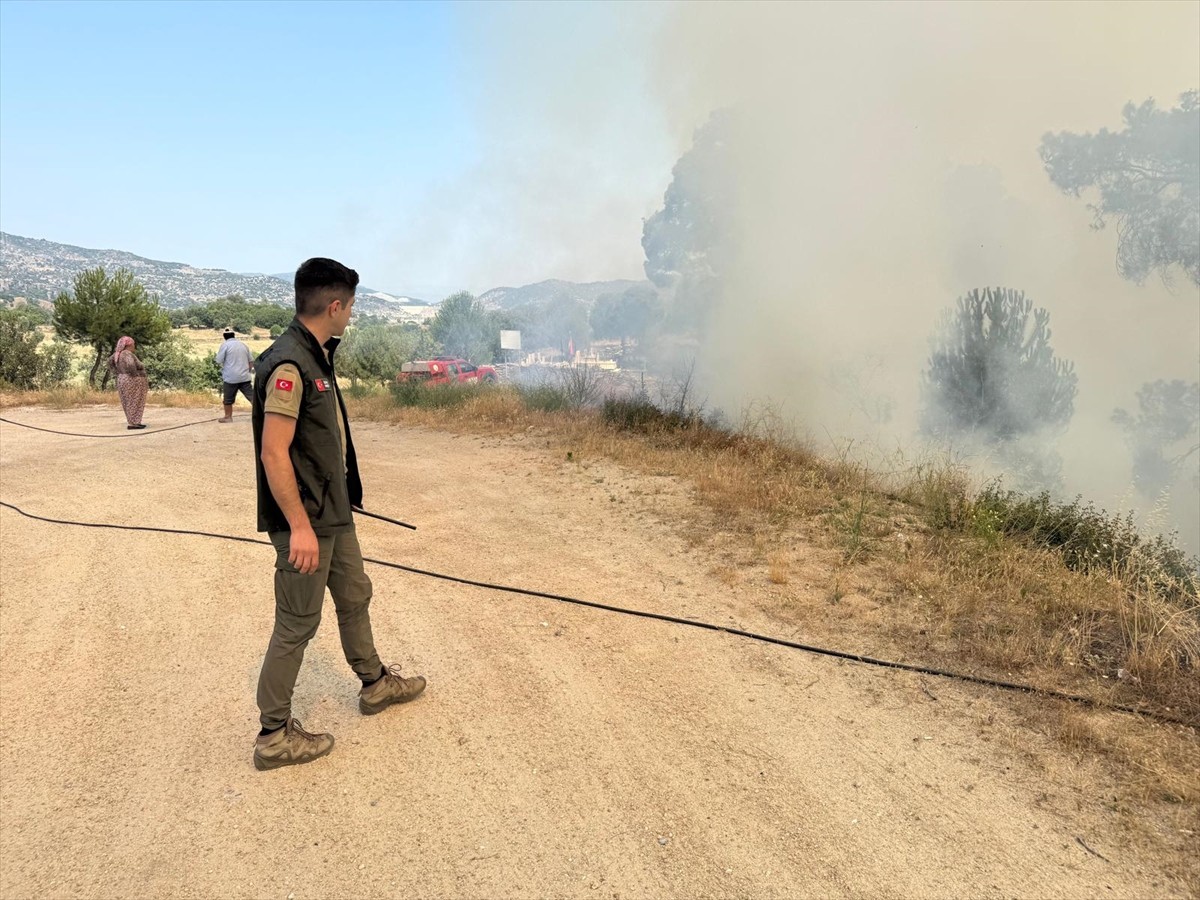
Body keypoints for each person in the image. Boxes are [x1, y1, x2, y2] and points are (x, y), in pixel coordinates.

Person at [251, 257, 426, 771]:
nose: (350, 315)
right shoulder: (290, 365)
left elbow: (316, 445)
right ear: (334, 306)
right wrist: (299, 527)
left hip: (331, 514)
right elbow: (273, 453)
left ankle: (374, 684)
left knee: (354, 595)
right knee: (297, 624)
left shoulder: (315, 355)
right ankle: (273, 737)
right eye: (349, 306)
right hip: (305, 522)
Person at [108, 335, 148, 429]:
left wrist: (118, 372)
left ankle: (133, 421)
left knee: (128, 401)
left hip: (122, 379)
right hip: (131, 380)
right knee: (135, 401)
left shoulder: (117, 354)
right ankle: (134, 423)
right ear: (129, 345)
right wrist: (136, 374)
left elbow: (109, 363)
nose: (134, 346)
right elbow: (130, 364)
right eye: (133, 344)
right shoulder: (127, 354)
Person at [215, 327, 255, 422]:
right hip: (244, 377)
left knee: (228, 399)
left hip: (231, 378)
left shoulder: (225, 345)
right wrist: (247, 371)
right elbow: (251, 361)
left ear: (224, 336)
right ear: (234, 335)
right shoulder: (243, 345)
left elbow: (218, 360)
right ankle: (262, 415)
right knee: (253, 397)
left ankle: (228, 417)